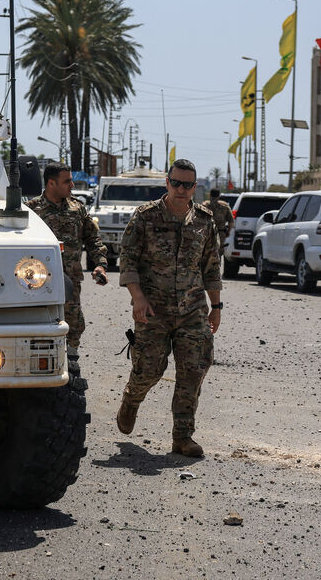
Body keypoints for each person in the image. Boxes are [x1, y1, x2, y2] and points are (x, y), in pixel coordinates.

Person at [115, 158, 222, 458]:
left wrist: (217, 306)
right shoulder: (146, 216)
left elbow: (212, 267)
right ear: (167, 182)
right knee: (149, 369)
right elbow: (128, 261)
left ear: (194, 187)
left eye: (187, 185)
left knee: (193, 370)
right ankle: (132, 399)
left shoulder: (204, 220)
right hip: (154, 310)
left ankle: (182, 436)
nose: (181, 189)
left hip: (192, 311)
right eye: (176, 183)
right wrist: (137, 297)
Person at [27, 162, 107, 349]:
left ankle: (71, 362)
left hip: (70, 280)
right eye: (67, 181)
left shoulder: (77, 208)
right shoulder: (31, 210)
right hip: (39, 282)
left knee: (74, 323)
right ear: (51, 183)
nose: (72, 185)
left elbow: (93, 238)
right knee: (40, 323)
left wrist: (100, 264)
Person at [202, 188, 234, 252]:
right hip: (220, 233)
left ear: (209, 195)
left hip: (206, 233)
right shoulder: (224, 206)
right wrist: (228, 232)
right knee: (218, 252)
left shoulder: (204, 206)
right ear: (219, 196)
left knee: (206, 253)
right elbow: (231, 221)